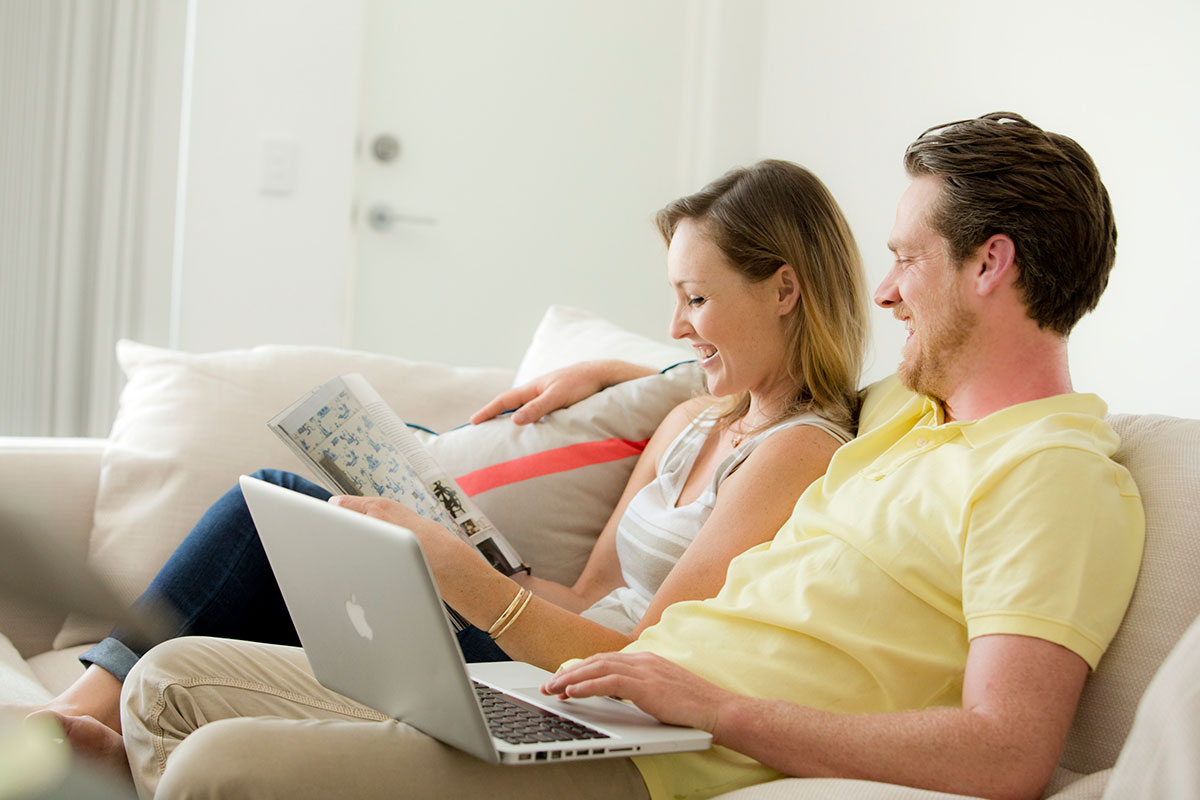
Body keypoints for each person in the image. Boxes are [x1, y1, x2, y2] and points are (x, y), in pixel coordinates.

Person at [110, 112, 1145, 800]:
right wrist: (618, 366)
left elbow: (1009, 748)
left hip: (673, 754)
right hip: (602, 703)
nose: (883, 292)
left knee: (218, 765)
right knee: (169, 678)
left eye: (908, 259)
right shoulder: (908, 415)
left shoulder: (1049, 474)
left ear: (990, 265)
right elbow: (754, 367)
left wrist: (721, 707)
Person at [16, 160, 870, 770]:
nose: (679, 326)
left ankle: (83, 712)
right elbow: (584, 595)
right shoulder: (689, 416)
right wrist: (483, 555)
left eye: (697, 298)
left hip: (585, 683)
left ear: (786, 290)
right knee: (299, 523)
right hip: (544, 631)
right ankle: (95, 714)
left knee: (267, 510)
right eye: (674, 299)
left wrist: (463, 577)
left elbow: (653, 650)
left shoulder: (798, 452)